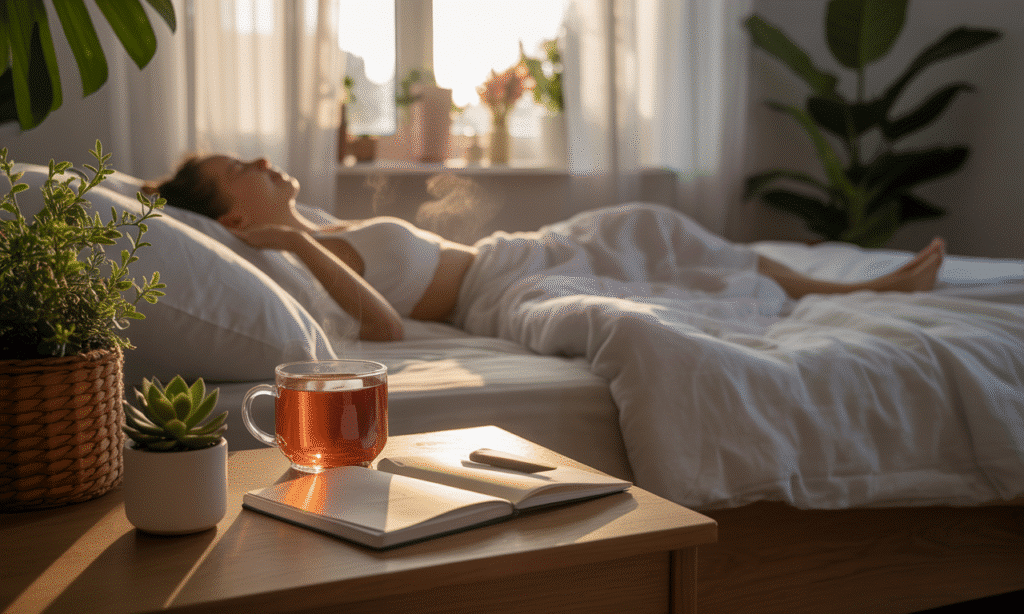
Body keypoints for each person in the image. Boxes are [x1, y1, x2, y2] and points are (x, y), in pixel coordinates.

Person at [148, 154, 946, 342]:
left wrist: (297, 226)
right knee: (656, 240)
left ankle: (848, 288)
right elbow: (386, 330)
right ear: (238, 225)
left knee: (653, 226)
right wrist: (288, 240)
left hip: (515, 250)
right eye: (235, 170)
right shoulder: (294, 265)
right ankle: (858, 293)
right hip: (499, 288)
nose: (257, 160)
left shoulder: (311, 227)